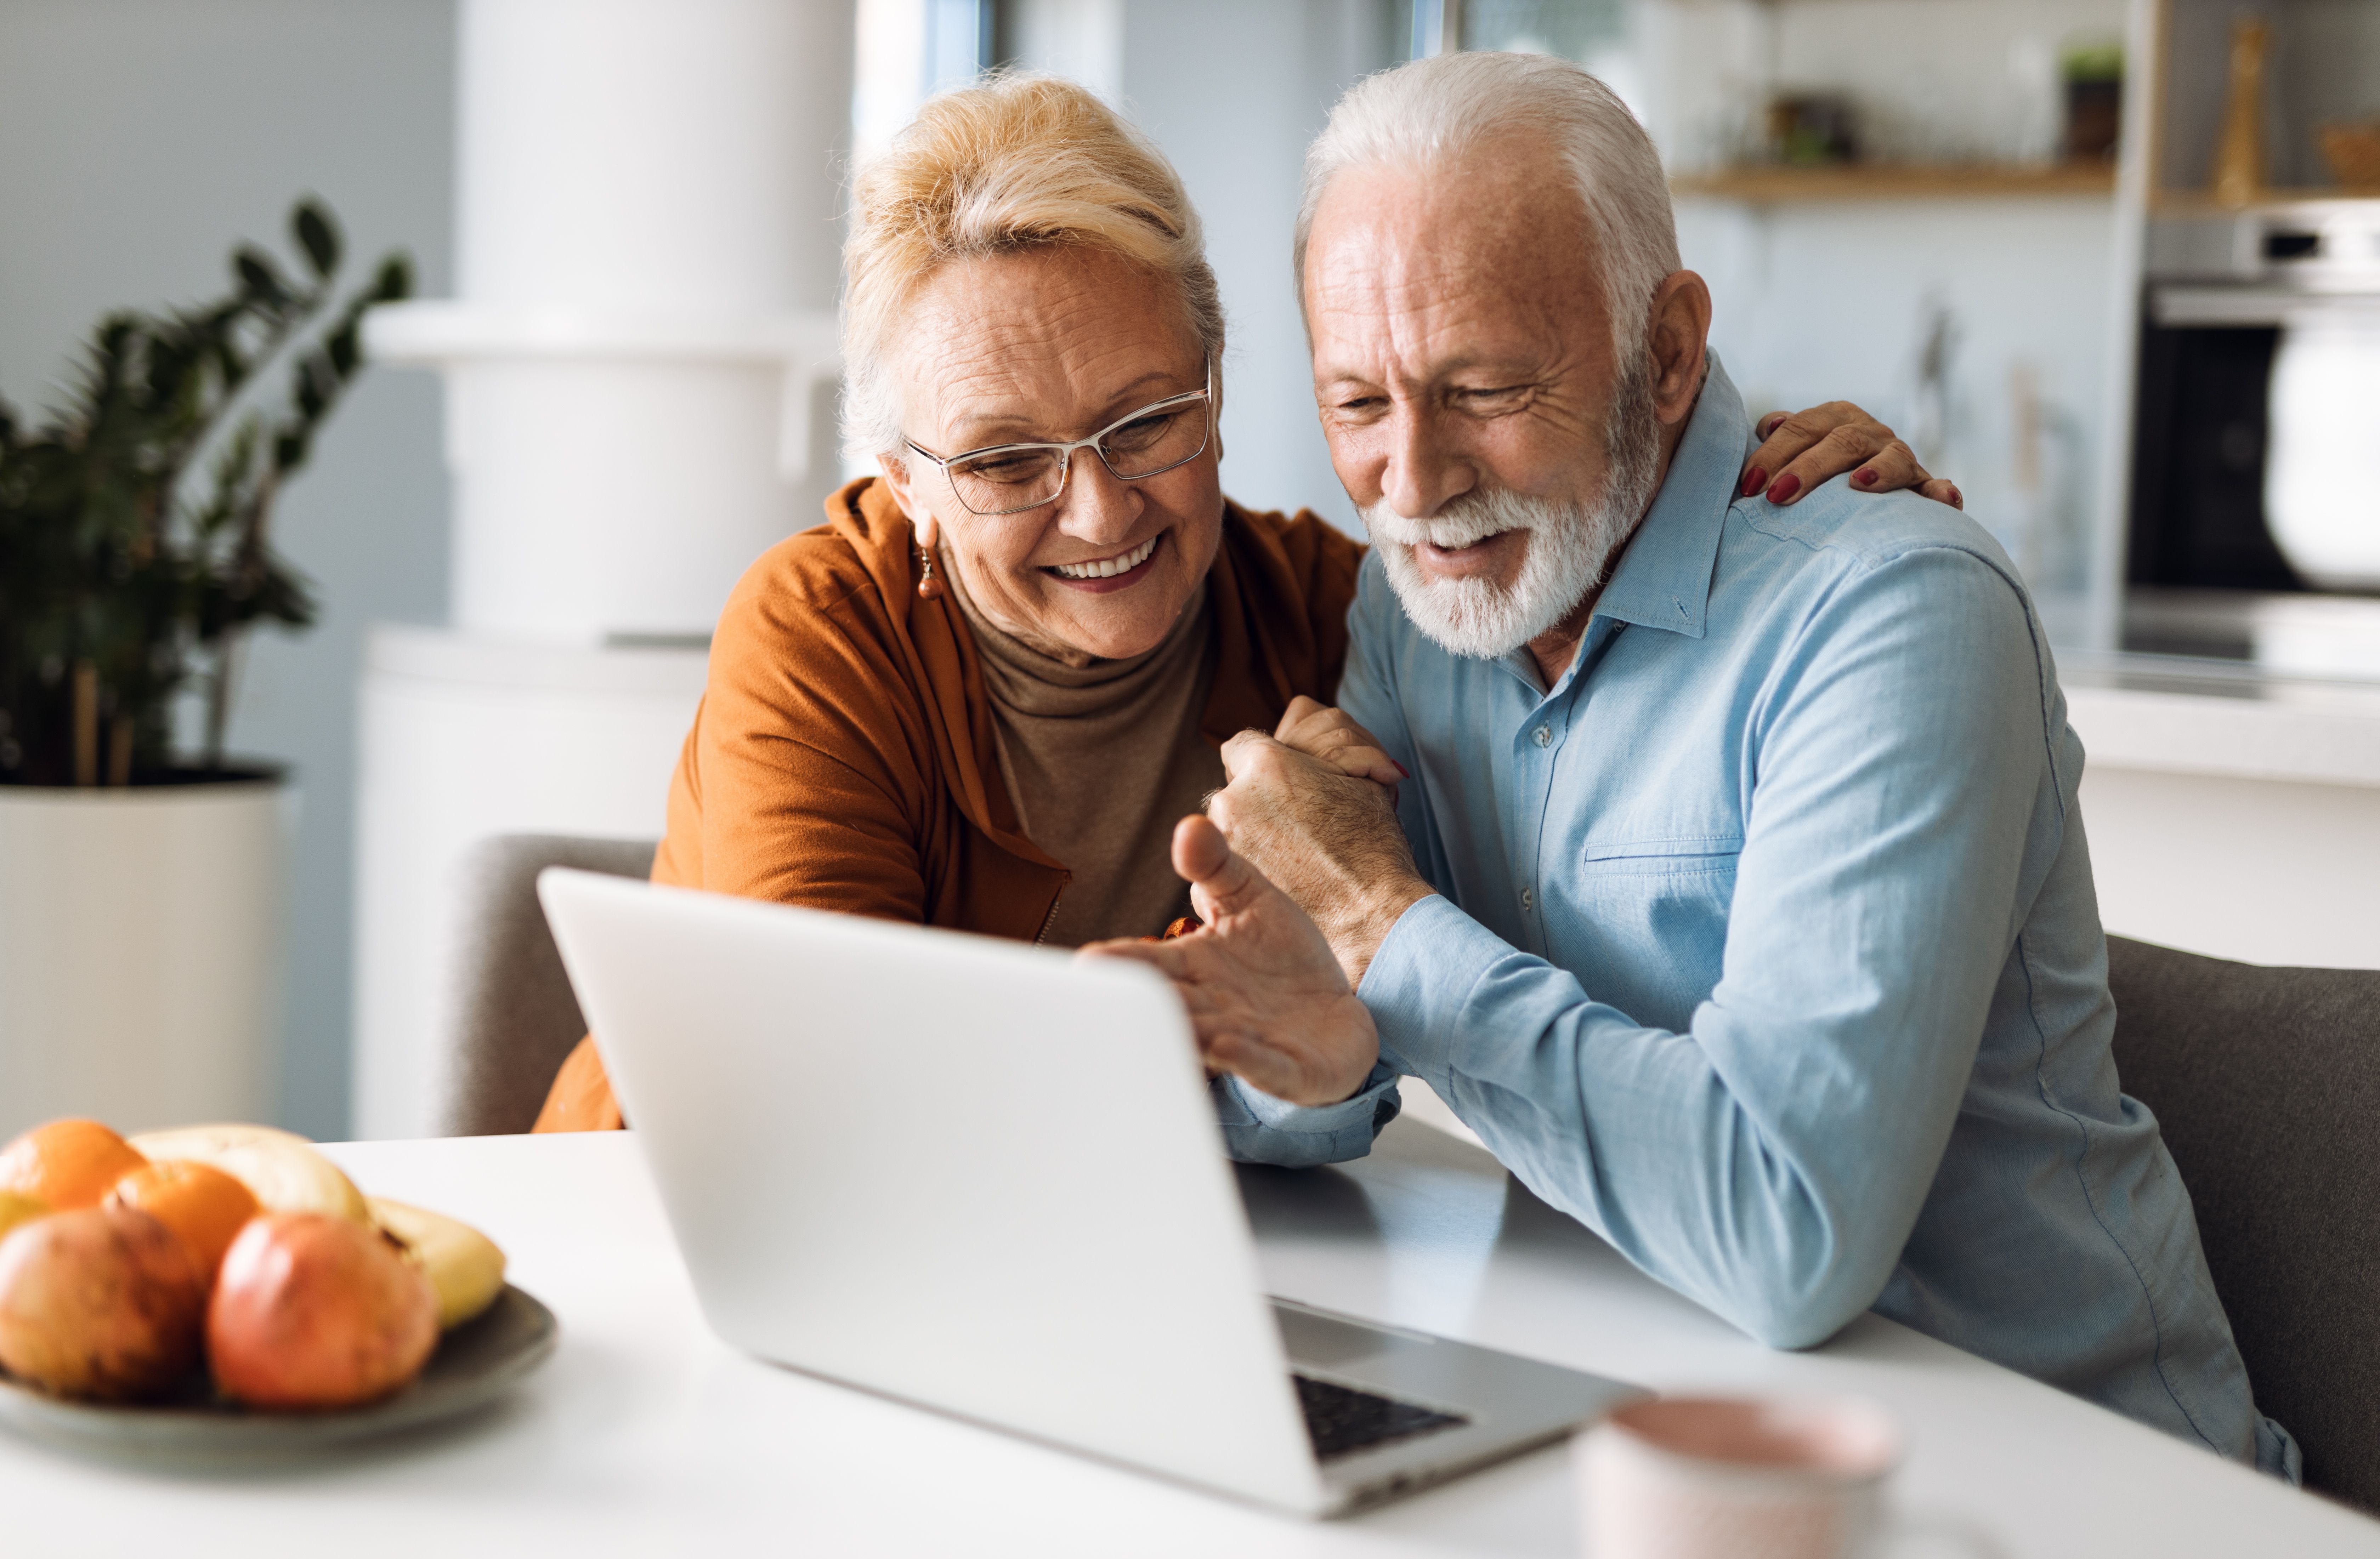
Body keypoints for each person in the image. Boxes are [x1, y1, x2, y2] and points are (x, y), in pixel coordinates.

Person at [1089, 52, 2297, 1478]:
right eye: (1358, 405)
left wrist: (1381, 929)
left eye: (1481, 388)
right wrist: (1295, 1049)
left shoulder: (1891, 614)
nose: (1410, 485)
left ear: (1665, 355)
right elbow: (1351, 1039)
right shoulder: (1420, 609)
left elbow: (1787, 1236)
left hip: (2085, 1489)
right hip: (1660, 1442)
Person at [532, 74, 1951, 1148]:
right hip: (679, 1226)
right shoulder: (821, 629)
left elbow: (1571, 585)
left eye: (1145, 420)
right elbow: (828, 1103)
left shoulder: (1336, 614)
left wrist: (1751, 463)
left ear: (1218, 385)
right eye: (1006, 460)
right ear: (902, 480)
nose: (1100, 513)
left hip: (1126, 1273)